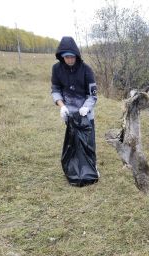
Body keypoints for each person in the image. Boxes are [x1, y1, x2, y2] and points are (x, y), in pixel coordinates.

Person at [51, 36, 99, 183]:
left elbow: (93, 95)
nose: (69, 60)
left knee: (88, 141)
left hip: (85, 111)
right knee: (73, 140)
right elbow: (55, 89)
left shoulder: (86, 70)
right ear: (62, 57)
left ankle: (91, 165)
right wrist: (62, 106)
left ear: (76, 56)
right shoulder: (57, 69)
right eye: (66, 57)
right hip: (69, 111)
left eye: (72, 57)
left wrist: (86, 107)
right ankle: (74, 165)